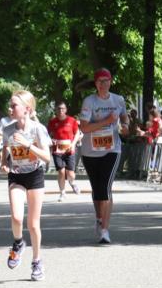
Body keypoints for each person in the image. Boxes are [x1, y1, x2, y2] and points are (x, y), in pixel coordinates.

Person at [0, 90, 51, 280]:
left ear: (27, 109)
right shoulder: (8, 130)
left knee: (33, 224)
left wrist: (28, 145)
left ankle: (37, 261)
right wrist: (4, 164)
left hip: (35, 175)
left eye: (14, 105)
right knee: (16, 217)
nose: (10, 108)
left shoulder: (38, 129)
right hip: (17, 175)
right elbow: (5, 155)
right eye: (10, 105)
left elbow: (47, 158)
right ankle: (18, 243)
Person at [78, 68, 129, 244]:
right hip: (90, 151)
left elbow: (124, 117)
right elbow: (84, 128)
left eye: (105, 80)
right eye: (99, 81)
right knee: (97, 188)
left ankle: (105, 230)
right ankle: (99, 218)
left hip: (112, 149)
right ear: (95, 83)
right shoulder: (89, 101)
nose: (103, 84)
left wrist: (125, 125)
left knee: (106, 187)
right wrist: (106, 122)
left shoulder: (118, 99)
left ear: (111, 81)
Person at [47, 100, 81, 201]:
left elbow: (77, 133)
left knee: (70, 174)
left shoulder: (72, 121)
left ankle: (72, 182)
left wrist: (73, 144)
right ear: (56, 110)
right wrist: (50, 140)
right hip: (57, 150)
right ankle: (62, 192)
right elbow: (46, 134)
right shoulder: (52, 122)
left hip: (69, 150)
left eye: (63, 108)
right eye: (58, 109)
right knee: (61, 171)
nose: (61, 110)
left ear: (66, 110)